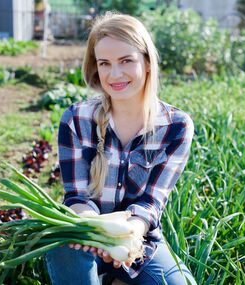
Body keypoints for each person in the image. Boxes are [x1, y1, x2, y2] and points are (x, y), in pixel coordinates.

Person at [45, 12, 196, 285]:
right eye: (105, 63)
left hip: (138, 238)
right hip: (84, 234)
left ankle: (119, 279)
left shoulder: (176, 126)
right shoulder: (77, 119)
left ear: (147, 62)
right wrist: (97, 231)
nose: (114, 74)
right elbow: (77, 197)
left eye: (126, 60)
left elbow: (151, 202)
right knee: (64, 247)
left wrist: (127, 235)